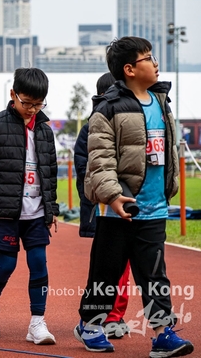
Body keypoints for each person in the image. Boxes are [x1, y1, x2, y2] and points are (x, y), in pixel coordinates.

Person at [74, 37, 194, 356]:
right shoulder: (108, 108)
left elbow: (167, 153)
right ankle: (90, 325)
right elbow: (100, 159)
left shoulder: (162, 102)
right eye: (148, 58)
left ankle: (163, 334)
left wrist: (169, 188)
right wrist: (113, 196)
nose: (155, 63)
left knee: (154, 275)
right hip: (118, 210)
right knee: (106, 274)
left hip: (154, 209)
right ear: (129, 69)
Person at [0, 67, 59, 345]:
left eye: (38, 104)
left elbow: (50, 173)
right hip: (5, 210)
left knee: (39, 263)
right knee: (6, 264)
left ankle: (37, 322)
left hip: (37, 211)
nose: (31, 109)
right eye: (26, 102)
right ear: (13, 95)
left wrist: (51, 209)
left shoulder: (45, 131)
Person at [74, 72, 131, 340]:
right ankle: (98, 317)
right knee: (105, 266)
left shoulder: (134, 120)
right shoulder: (92, 127)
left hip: (132, 204)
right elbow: (84, 167)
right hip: (104, 207)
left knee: (126, 266)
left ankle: (115, 315)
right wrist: (104, 192)